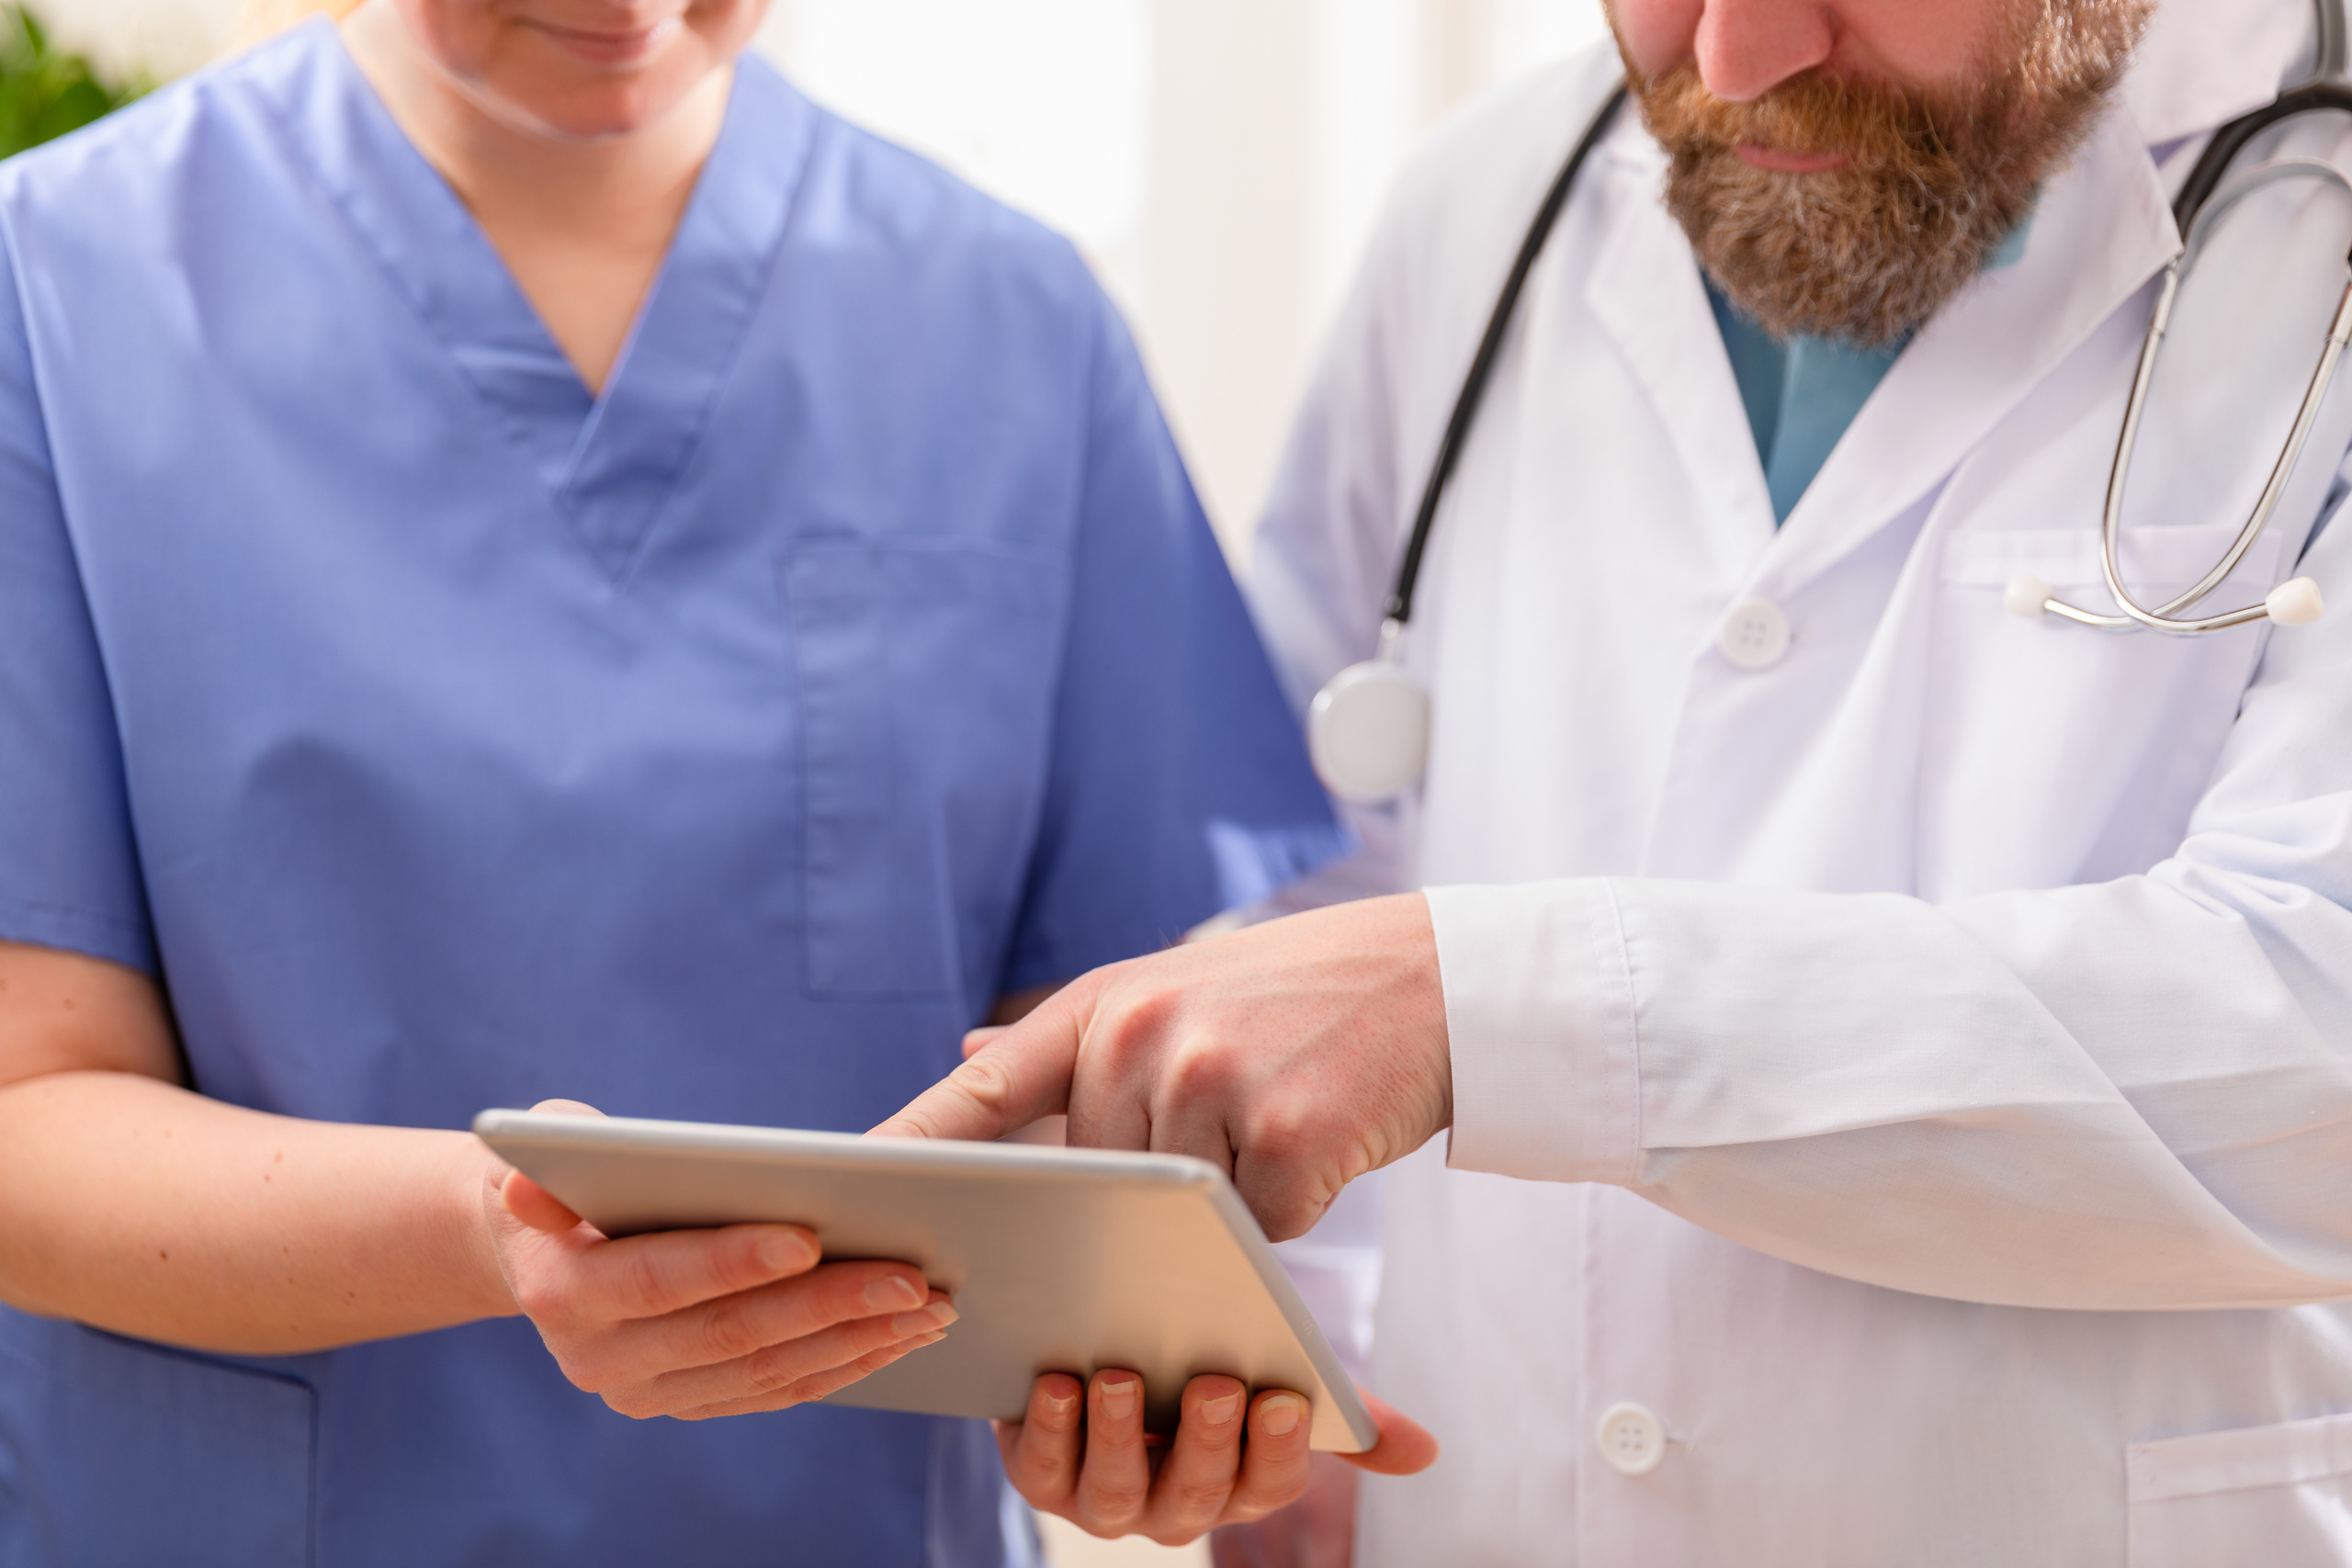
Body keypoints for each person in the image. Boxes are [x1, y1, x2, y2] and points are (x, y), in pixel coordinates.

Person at [885, 0, 2352, 1562]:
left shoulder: (2310, 241)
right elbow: (1319, 858)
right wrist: (1268, 1351)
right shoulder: (1486, 206)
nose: (1730, 61)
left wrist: (1482, 1011)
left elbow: (2314, 1035)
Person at [0, 0, 1358, 1560]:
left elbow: (1094, 1085)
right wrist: (496, 1233)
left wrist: (1140, 1373)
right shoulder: (52, 287)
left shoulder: (1014, 324)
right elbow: (27, 1111)